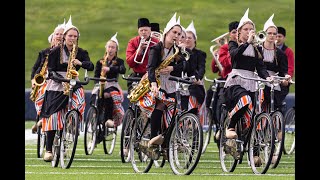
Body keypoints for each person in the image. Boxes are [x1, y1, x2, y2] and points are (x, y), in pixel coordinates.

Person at [40, 15, 94, 162]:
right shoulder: (54, 51)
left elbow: (91, 66)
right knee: (53, 117)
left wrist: (80, 63)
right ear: (64, 37)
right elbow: (50, 70)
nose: (72, 38)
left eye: (75, 36)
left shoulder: (81, 52)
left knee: (80, 101)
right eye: (70, 36)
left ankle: (73, 122)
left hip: (73, 82)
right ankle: (49, 149)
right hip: (56, 84)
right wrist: (60, 79)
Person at [137, 12, 187, 146]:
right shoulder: (156, 48)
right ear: (167, 32)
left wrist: (172, 68)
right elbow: (150, 68)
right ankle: (153, 138)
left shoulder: (176, 50)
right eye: (174, 32)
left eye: (178, 34)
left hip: (169, 82)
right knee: (160, 103)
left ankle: (166, 140)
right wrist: (153, 84)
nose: (176, 36)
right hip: (153, 81)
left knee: (173, 107)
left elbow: (184, 65)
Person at [31, 19, 66, 133]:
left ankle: (44, 120)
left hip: (57, 80)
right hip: (44, 78)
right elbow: (36, 68)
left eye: (62, 34)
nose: (59, 36)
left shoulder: (66, 52)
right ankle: (42, 118)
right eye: (57, 34)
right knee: (41, 94)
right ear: (53, 36)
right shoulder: (44, 52)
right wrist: (34, 79)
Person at [206, 21, 239, 141]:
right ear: (230, 34)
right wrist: (218, 56)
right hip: (225, 80)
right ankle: (219, 126)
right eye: (233, 32)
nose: (236, 34)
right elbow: (216, 68)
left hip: (239, 80)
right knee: (214, 101)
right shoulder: (224, 48)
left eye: (237, 31)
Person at [90, 32, 126, 132]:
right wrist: (98, 81)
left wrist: (110, 69)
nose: (110, 49)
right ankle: (95, 114)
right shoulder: (100, 61)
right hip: (101, 83)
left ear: (116, 49)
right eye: (109, 47)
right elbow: (96, 75)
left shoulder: (119, 61)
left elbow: (122, 69)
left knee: (107, 94)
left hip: (112, 83)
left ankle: (108, 119)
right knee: (96, 95)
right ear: (106, 48)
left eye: (113, 47)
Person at [260, 14, 291, 112]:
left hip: (273, 82)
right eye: (269, 33)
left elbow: (283, 70)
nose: (272, 36)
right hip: (257, 80)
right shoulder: (257, 49)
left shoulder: (280, 53)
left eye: (274, 34)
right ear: (265, 34)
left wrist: (286, 77)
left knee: (275, 104)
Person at [178, 20, 206, 125]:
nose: (187, 39)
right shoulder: (178, 51)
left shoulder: (200, 54)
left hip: (194, 84)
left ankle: (193, 125)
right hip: (179, 83)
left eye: (190, 37)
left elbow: (201, 68)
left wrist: (197, 78)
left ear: (195, 40)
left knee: (193, 104)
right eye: (185, 37)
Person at [126, 18, 160, 93]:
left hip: (151, 76)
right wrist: (139, 50)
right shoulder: (133, 42)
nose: (144, 32)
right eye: (141, 30)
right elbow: (130, 63)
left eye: (146, 30)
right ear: (138, 31)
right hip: (137, 76)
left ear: (150, 30)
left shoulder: (156, 42)